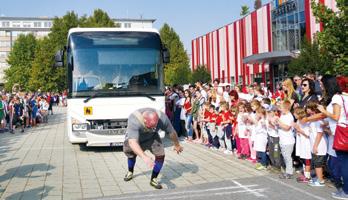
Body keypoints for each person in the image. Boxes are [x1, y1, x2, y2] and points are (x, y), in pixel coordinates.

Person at [123, 108, 183, 189]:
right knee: (131, 154)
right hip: (136, 138)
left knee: (161, 155)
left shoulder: (162, 118)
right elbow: (132, 142)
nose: (153, 128)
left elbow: (171, 132)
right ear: (144, 120)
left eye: (155, 126)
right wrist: (145, 157)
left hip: (152, 137)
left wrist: (177, 145)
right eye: (150, 126)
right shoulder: (134, 119)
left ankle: (153, 179)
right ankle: (130, 171)